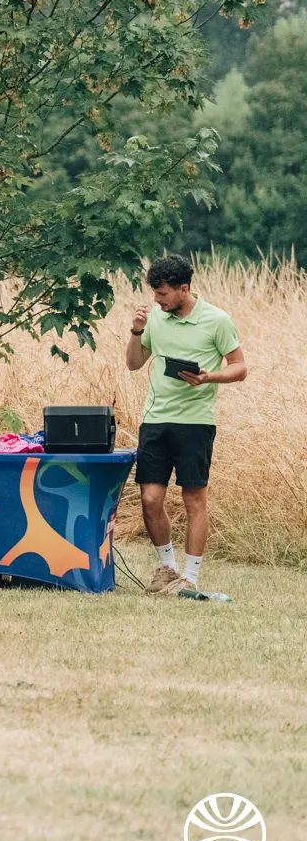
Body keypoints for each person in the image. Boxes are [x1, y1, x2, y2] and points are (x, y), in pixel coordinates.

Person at [124, 254, 247, 597]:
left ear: (183, 289)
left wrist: (210, 376)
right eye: (154, 293)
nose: (156, 301)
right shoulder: (155, 320)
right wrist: (136, 331)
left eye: (162, 294)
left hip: (195, 423)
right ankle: (167, 569)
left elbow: (239, 367)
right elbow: (134, 364)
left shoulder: (217, 320)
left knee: (194, 499)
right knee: (150, 499)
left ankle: (190, 577)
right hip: (156, 420)